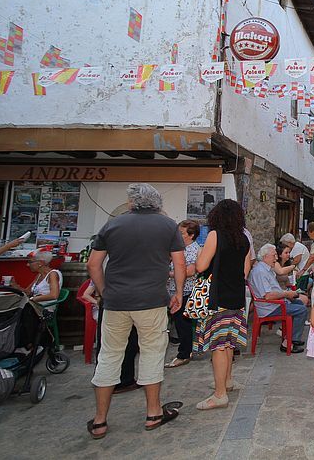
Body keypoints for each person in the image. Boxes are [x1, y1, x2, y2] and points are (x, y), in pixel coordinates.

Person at [86, 183, 185, 438]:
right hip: (152, 299)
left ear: (131, 202)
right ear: (157, 203)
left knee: (109, 355)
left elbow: (93, 264)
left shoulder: (112, 225)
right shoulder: (168, 226)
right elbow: (179, 263)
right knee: (152, 352)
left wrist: (104, 291)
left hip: (116, 301)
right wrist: (178, 293)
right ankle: (153, 413)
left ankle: (100, 420)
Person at [193, 200, 252, 410]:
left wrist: (200, 254)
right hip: (237, 297)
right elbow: (245, 270)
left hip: (218, 298)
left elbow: (201, 266)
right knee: (228, 343)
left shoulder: (215, 236)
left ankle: (220, 395)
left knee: (217, 345)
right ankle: (227, 381)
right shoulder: (244, 239)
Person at [249, 244, 309, 353]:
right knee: (302, 310)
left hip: (275, 303)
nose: (276, 258)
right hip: (270, 307)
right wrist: (286, 294)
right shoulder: (261, 272)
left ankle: (292, 338)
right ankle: (288, 343)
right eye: (274, 255)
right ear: (265, 256)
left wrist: (287, 293)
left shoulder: (266, 269)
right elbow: (268, 296)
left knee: (299, 304)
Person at [165, 220, 201, 369]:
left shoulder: (193, 250)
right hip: (174, 290)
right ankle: (186, 351)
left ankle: (184, 354)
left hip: (186, 291)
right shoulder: (179, 248)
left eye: (181, 233)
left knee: (183, 324)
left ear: (191, 235)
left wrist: (167, 273)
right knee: (179, 323)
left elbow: (190, 271)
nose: (178, 235)